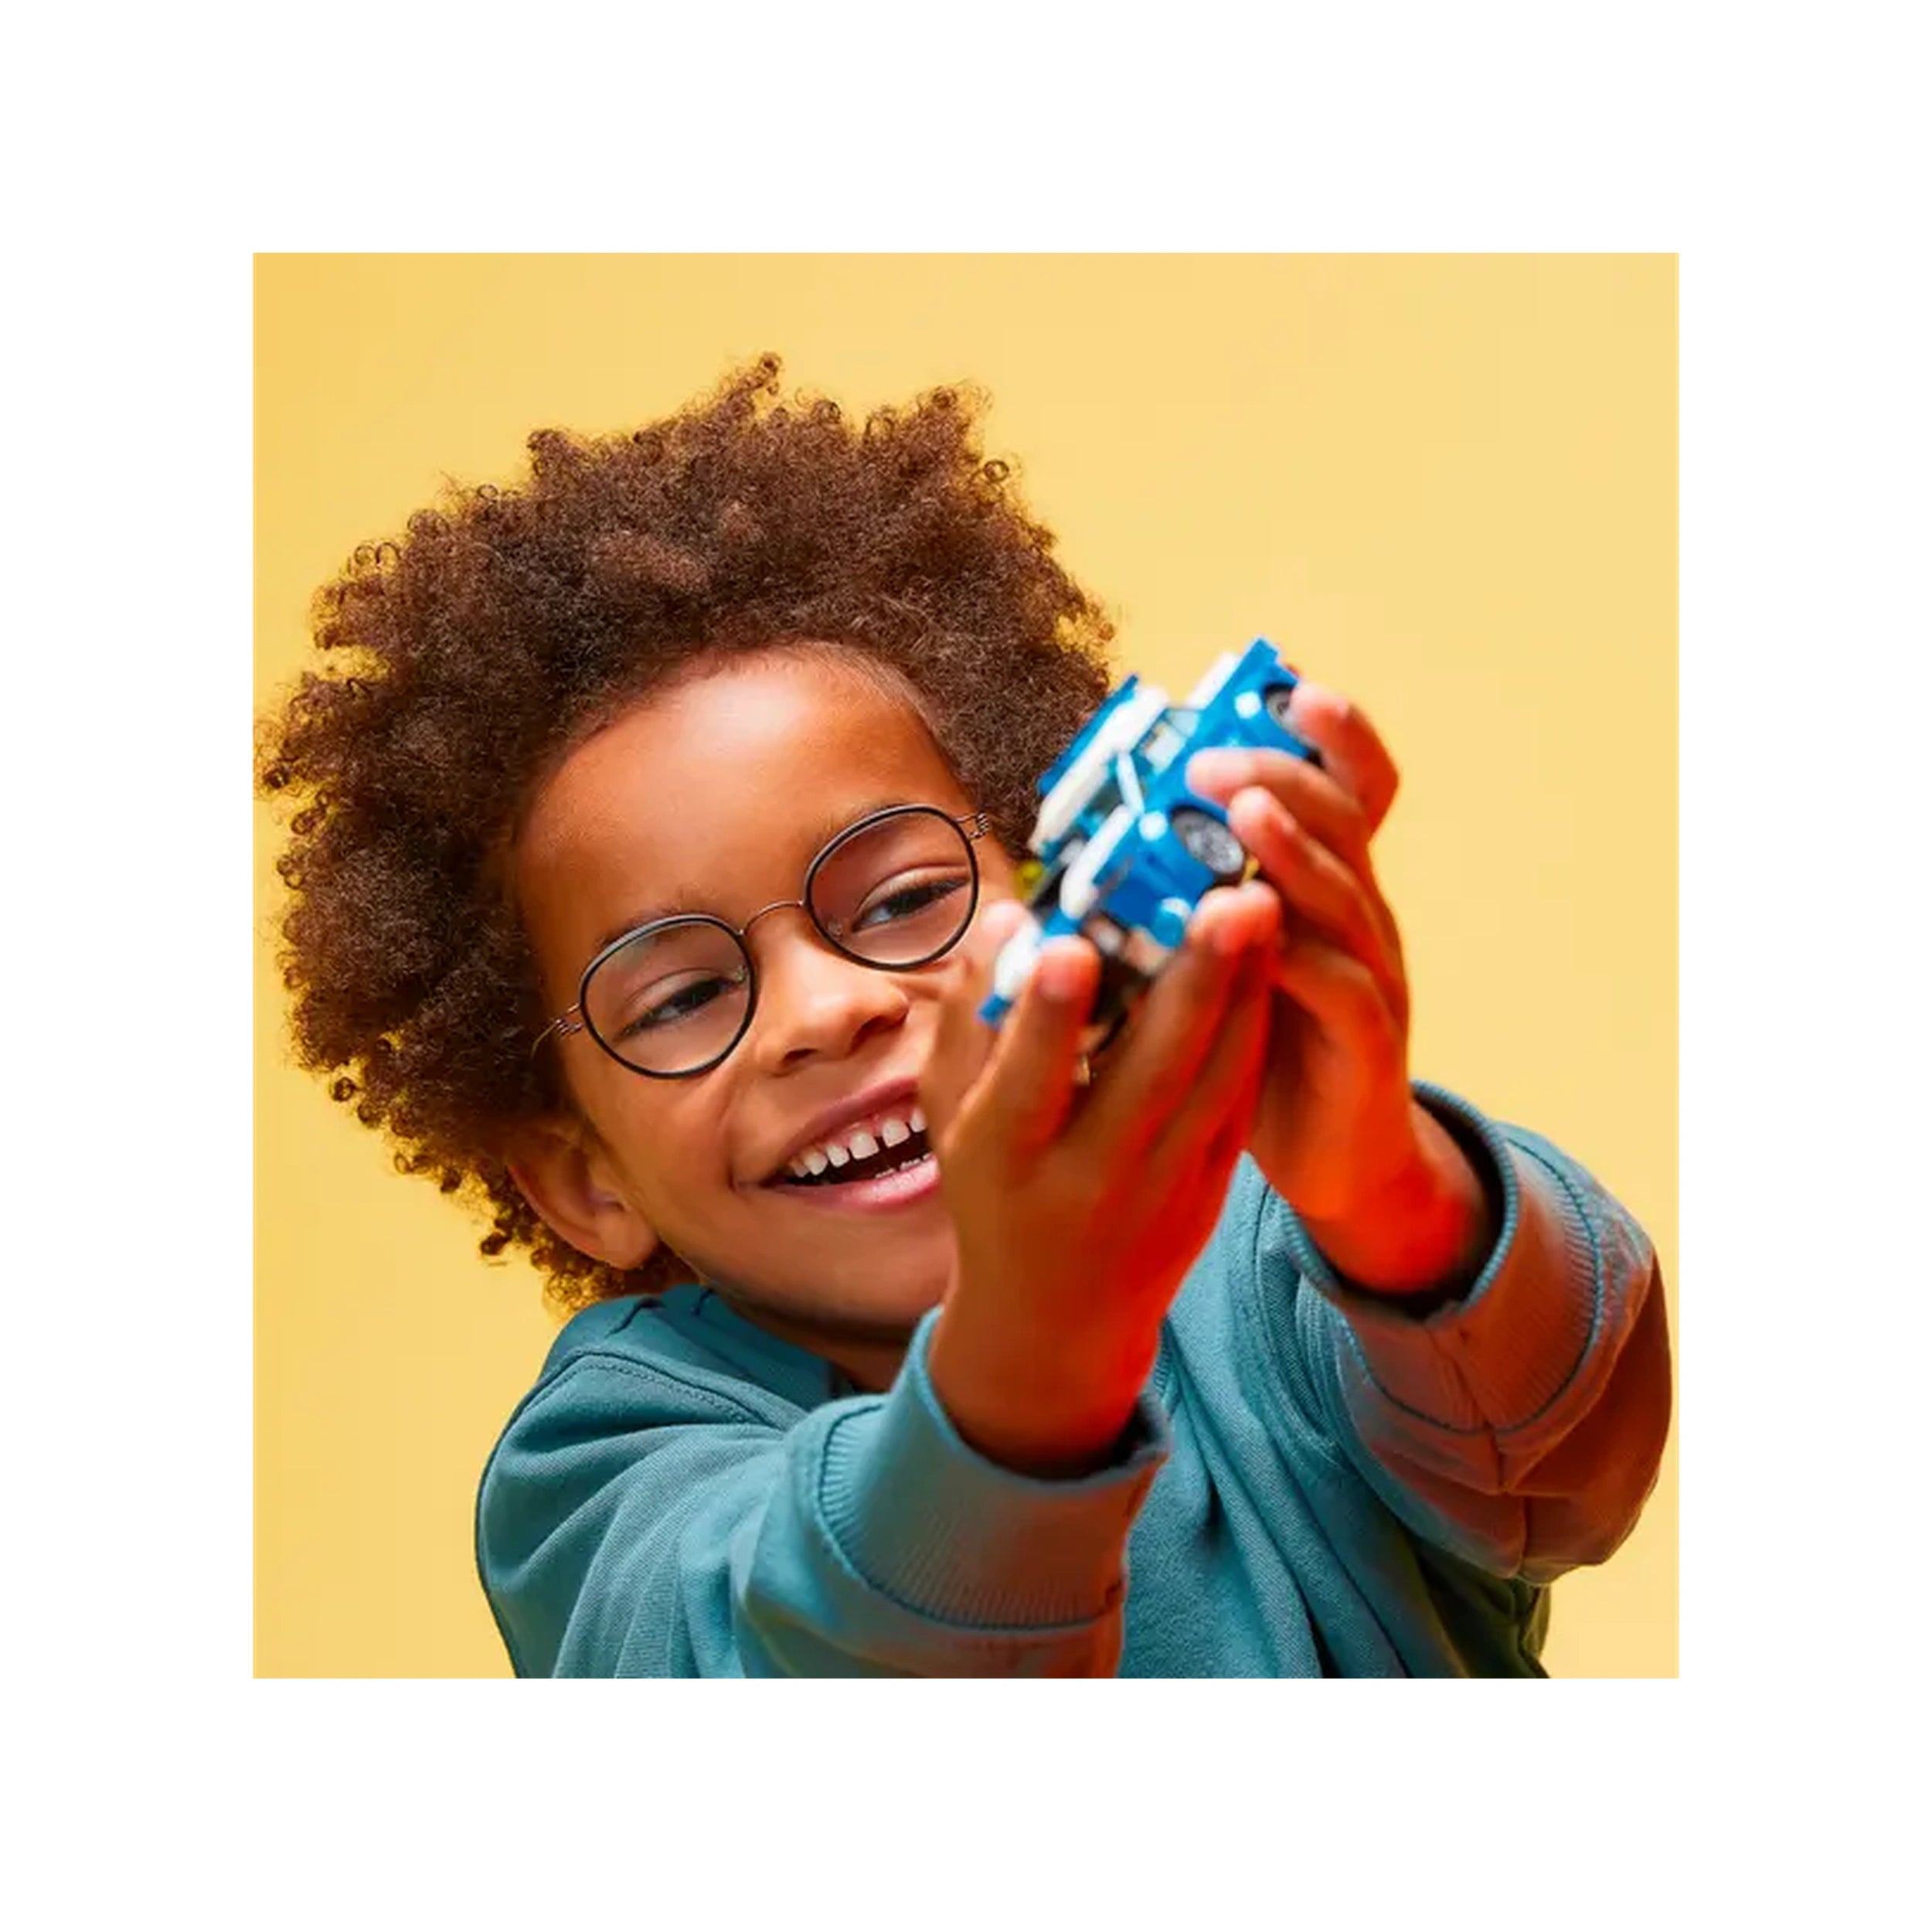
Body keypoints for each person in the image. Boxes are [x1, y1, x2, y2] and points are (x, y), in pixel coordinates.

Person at [259, 355, 1671, 1676]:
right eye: (684, 993)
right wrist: (1040, 1335)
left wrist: (1383, 1187)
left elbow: (1558, 1469)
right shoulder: (602, 1467)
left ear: (1047, 881)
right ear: (583, 1177)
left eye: (897, 901)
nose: (828, 1010)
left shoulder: (1265, 1254)